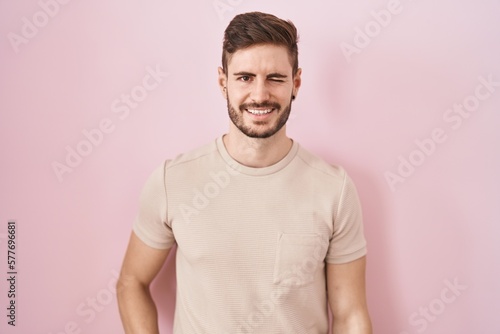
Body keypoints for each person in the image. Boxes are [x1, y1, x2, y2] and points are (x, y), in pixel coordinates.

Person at [117, 11, 372, 334]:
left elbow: (350, 314)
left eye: (275, 78)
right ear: (223, 82)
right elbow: (131, 282)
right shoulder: (173, 181)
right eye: (245, 77)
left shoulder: (333, 189)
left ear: (296, 83)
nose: (260, 94)